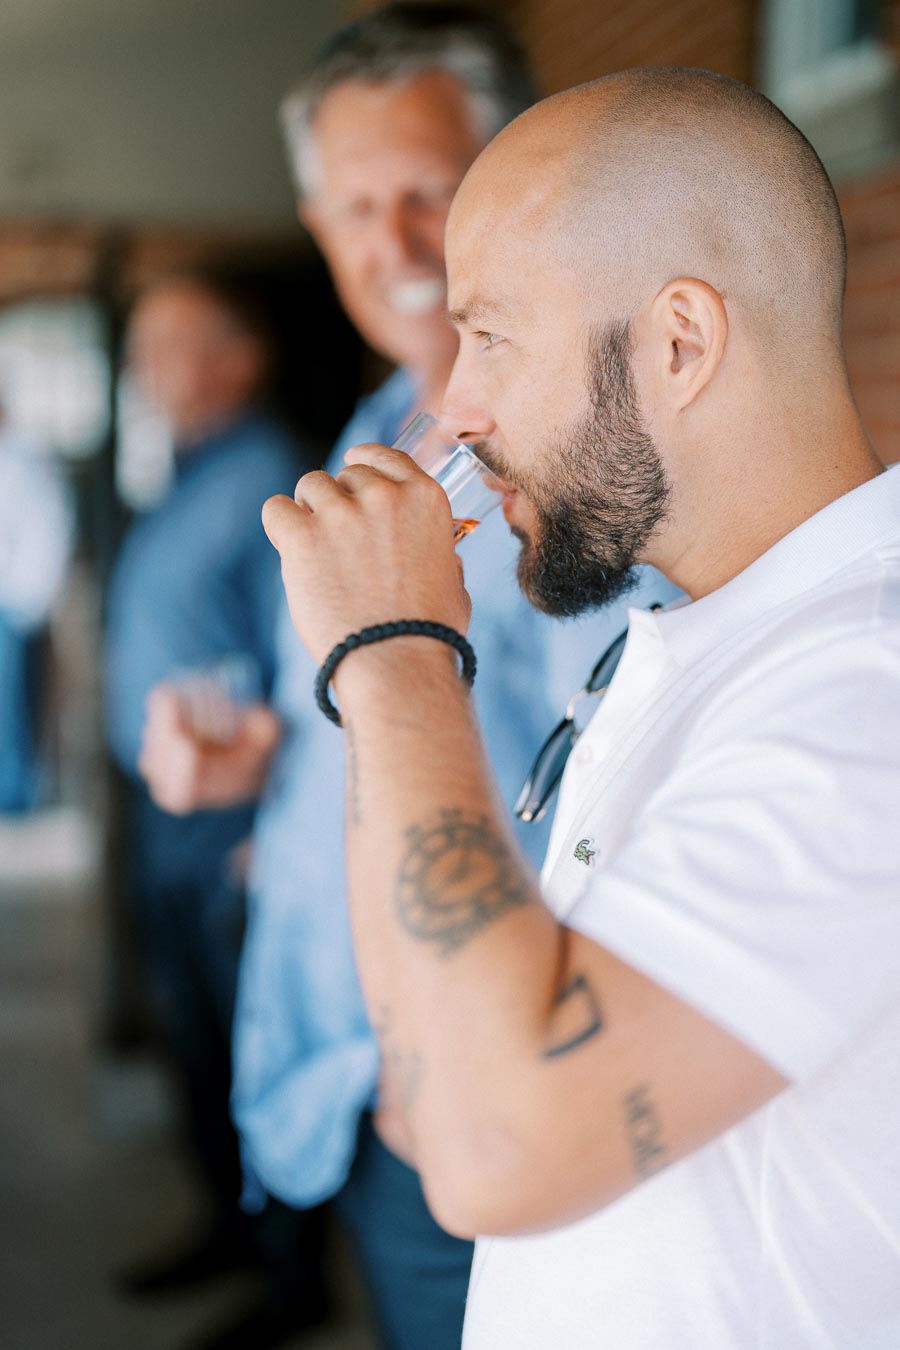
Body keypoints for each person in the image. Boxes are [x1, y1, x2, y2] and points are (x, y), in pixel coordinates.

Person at [262, 66, 900, 1350]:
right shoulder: (704, 633)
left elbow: (499, 1147)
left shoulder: (862, 698)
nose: (458, 409)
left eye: (491, 335)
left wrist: (391, 651)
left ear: (681, 341)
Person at [139, 8, 679, 1347]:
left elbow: (631, 789)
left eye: (430, 191)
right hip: (339, 1053)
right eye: (354, 205)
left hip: (470, 1079)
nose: (392, 245)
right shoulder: (380, 420)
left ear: (513, 182)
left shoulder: (593, 459)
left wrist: (453, 1056)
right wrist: (269, 762)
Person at [104, 271, 314, 1314]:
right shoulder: (184, 469)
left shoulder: (268, 475)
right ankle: (227, 1231)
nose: (145, 372)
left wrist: (271, 823)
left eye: (168, 345)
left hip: (236, 816)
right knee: (191, 1036)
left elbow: (304, 660)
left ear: (239, 357)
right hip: (164, 806)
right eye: (139, 348)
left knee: (249, 1041)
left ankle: (287, 1279)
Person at [0, 404, 73, 812]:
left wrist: (33, 599)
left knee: (11, 710)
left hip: (15, 603)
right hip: (15, 600)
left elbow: (51, 532)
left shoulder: (24, 462)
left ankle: (15, 800)